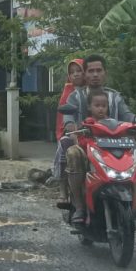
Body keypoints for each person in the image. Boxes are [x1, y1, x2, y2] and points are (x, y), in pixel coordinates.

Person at [64, 54, 136, 224]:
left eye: (99, 70)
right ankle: (79, 206)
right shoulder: (75, 97)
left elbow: (127, 115)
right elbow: (68, 117)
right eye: (91, 71)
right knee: (73, 154)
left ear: (105, 73)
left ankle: (134, 202)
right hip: (85, 144)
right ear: (85, 74)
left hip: (116, 145)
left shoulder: (115, 97)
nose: (95, 74)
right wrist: (71, 126)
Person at [52, 59, 85, 200]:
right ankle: (63, 189)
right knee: (64, 148)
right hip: (74, 133)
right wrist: (70, 128)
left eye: (79, 71)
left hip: (95, 133)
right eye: (72, 72)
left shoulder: (96, 91)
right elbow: (64, 116)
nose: (76, 75)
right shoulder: (69, 94)